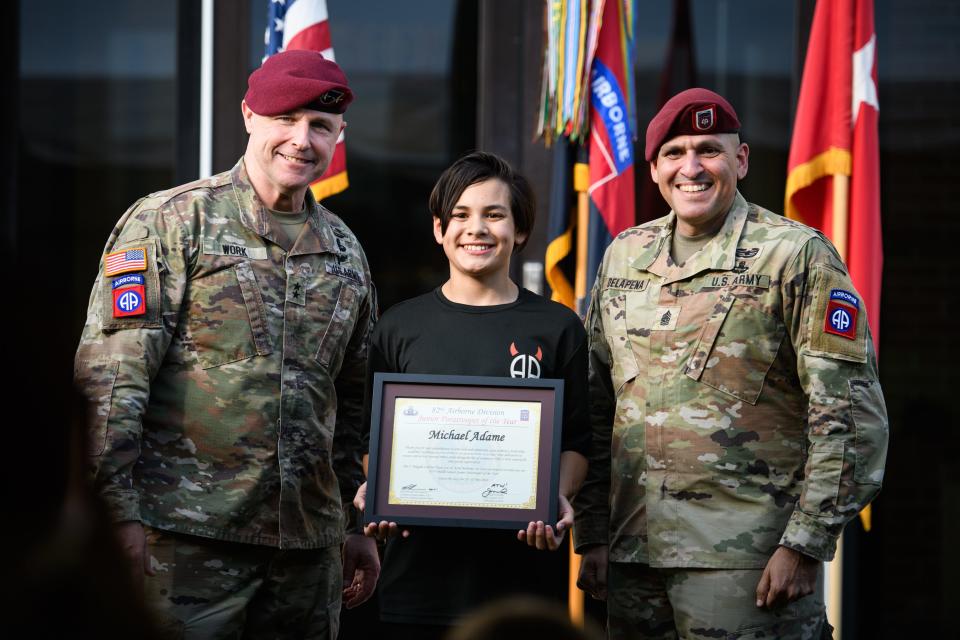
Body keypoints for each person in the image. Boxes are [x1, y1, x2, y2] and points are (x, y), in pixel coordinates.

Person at [73, 50, 379, 639]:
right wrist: (111, 514)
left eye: (320, 125)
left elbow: (353, 404)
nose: (301, 139)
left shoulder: (346, 251)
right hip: (186, 542)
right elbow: (111, 383)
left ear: (339, 135)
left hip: (307, 556)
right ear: (247, 117)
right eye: (285, 119)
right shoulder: (170, 222)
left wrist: (351, 525)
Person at [573, 88, 889, 639]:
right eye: (673, 154)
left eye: (708, 150)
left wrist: (805, 543)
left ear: (740, 160)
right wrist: (593, 534)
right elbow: (598, 405)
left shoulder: (794, 254)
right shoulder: (624, 254)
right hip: (633, 556)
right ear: (652, 169)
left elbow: (849, 415)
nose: (690, 168)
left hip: (748, 563)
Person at [353, 151, 590, 637]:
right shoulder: (400, 326)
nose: (475, 228)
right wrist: (380, 489)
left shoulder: (558, 326)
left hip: (524, 577)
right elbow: (371, 439)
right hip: (417, 580)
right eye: (460, 215)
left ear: (520, 231)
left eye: (494, 214)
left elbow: (577, 440)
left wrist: (554, 497)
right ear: (440, 229)